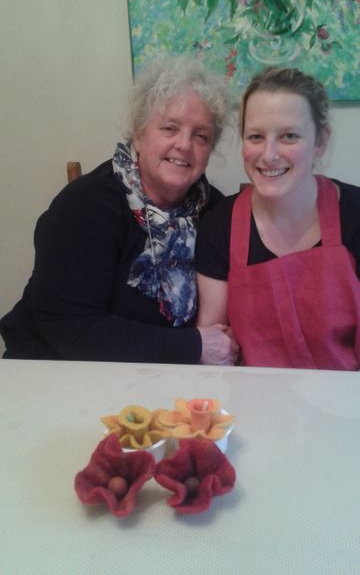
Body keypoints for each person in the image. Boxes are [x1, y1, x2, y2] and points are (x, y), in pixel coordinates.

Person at [0, 57, 238, 365]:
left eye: (201, 136)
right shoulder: (86, 205)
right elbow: (72, 328)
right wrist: (192, 347)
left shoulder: (216, 213)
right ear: (139, 135)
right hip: (55, 370)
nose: (184, 144)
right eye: (169, 128)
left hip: (163, 381)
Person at [196, 66, 360, 370]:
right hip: (251, 403)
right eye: (256, 136)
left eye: (289, 136)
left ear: (320, 141)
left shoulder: (354, 214)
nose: (269, 155)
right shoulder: (219, 224)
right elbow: (215, 349)